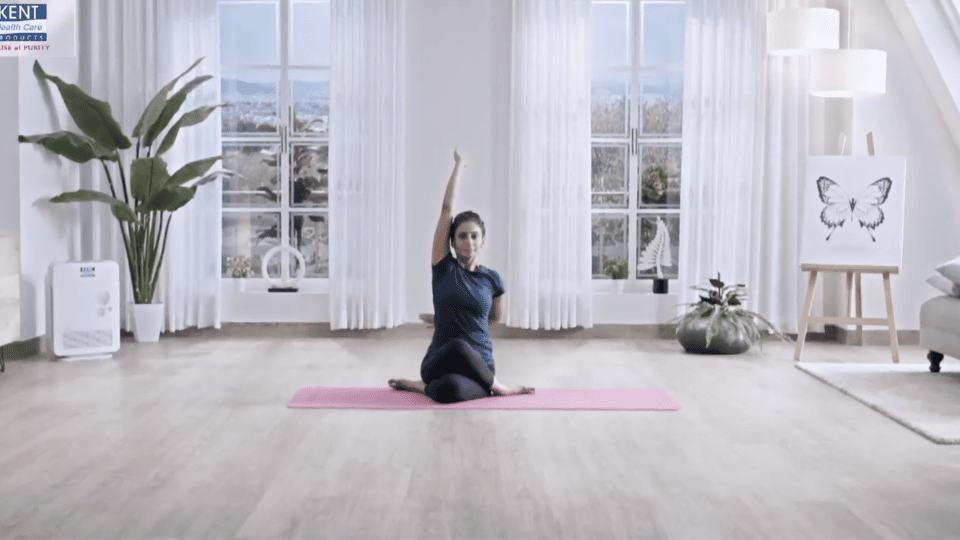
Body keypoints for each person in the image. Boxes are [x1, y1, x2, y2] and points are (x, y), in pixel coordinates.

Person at [388, 150, 535, 403]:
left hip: (479, 365)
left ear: (483, 241)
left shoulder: (493, 280)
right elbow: (446, 211)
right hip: (439, 360)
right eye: (462, 236)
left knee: (449, 390)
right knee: (456, 345)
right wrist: (460, 165)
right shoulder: (444, 268)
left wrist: (459, 319)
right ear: (453, 243)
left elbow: (494, 319)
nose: (469, 241)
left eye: (474, 236)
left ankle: (423, 387)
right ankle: (498, 388)